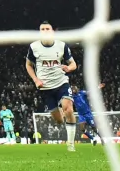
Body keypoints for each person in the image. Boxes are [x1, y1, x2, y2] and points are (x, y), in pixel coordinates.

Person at [26, 22, 77, 151]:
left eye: (47, 29)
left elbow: (73, 64)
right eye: (42, 29)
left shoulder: (62, 45)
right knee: (59, 121)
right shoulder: (34, 47)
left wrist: (68, 68)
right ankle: (61, 112)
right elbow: (28, 65)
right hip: (45, 88)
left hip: (61, 83)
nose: (45, 31)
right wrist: (36, 80)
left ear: (52, 31)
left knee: (69, 109)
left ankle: (70, 144)